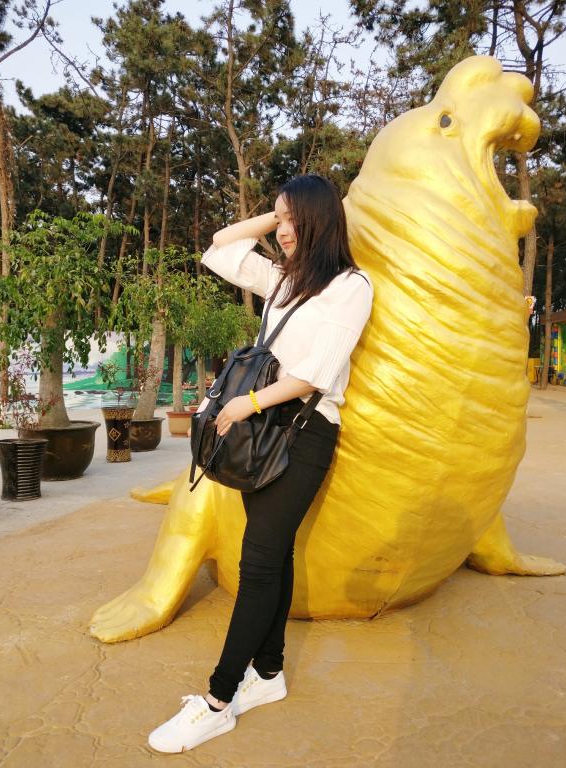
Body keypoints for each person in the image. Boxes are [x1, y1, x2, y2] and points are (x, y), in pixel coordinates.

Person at [148, 174, 373, 753]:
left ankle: (218, 701)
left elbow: (315, 374)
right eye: (281, 219)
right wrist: (276, 215)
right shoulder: (284, 281)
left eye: (295, 219)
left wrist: (244, 404)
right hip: (262, 432)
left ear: (322, 219)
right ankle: (269, 673)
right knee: (272, 559)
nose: (285, 231)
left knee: (259, 565)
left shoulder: (350, 286)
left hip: (302, 432)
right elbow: (219, 248)